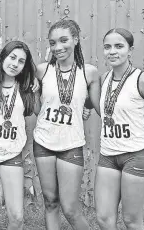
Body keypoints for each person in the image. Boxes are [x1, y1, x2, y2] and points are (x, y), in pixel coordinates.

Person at [95, 28, 144, 230]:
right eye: (107, 47)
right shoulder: (103, 79)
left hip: (136, 156)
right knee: (103, 219)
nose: (112, 51)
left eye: (119, 46)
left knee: (132, 221)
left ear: (130, 50)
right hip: (108, 155)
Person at [33, 19, 100, 230]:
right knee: (51, 202)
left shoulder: (89, 72)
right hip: (43, 141)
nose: (58, 47)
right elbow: (37, 109)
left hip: (71, 144)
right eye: (53, 43)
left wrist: (85, 107)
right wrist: (33, 91)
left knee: (70, 208)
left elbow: (94, 102)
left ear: (76, 40)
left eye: (63, 40)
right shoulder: (42, 70)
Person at [0, 41, 36, 230]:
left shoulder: (26, 88)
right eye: (12, 57)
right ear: (3, 56)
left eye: (21, 61)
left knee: (17, 216)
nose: (15, 64)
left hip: (12, 152)